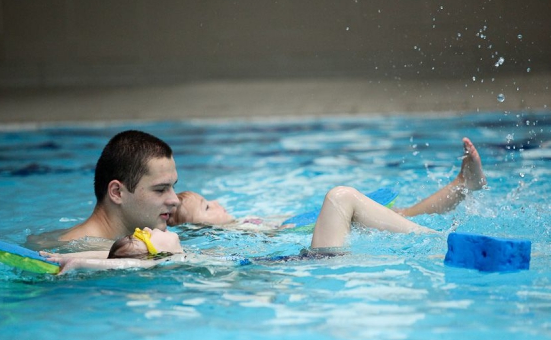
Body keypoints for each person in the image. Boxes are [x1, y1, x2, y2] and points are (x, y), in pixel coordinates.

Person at [168, 137, 487, 249]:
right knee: (347, 201)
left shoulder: (242, 223)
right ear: (200, 228)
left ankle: (462, 185)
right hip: (317, 255)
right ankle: (442, 239)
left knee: (394, 215)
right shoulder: (225, 237)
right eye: (207, 208)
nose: (217, 204)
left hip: (309, 239)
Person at [31, 130, 181, 247]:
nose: (175, 200)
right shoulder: (78, 252)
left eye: (173, 187)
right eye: (160, 189)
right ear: (117, 192)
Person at [43, 227, 186, 274]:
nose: (147, 229)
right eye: (146, 236)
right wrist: (78, 263)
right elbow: (131, 263)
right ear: (158, 254)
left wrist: (62, 255)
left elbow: (105, 255)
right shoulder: (170, 259)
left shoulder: (171, 257)